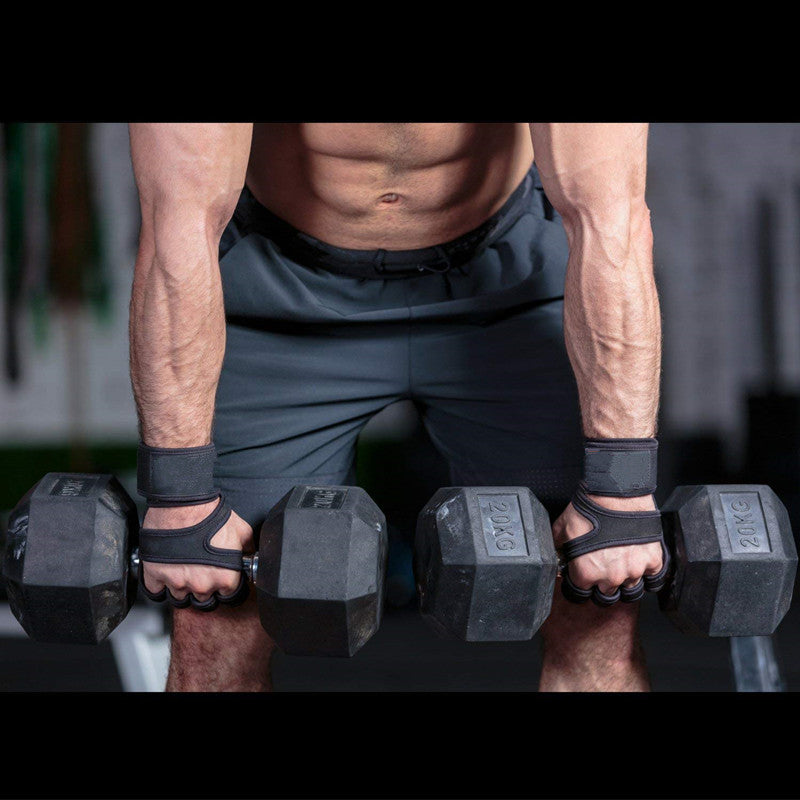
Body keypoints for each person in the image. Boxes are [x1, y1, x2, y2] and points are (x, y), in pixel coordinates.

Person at [129, 123, 664, 692]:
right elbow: (178, 226)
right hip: (284, 291)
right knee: (214, 615)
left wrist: (620, 486)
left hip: (505, 282)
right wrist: (180, 493)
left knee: (597, 598)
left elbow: (611, 220)